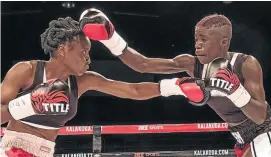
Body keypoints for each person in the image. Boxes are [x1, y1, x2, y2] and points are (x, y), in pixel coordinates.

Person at [0, 17, 209, 157]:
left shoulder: (83, 81)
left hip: (46, 151)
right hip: (14, 148)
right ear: (63, 49)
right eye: (83, 51)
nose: (88, 58)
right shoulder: (26, 71)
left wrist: (175, 86)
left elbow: (132, 90)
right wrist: (27, 104)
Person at [79, 8, 271, 157]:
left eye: (204, 39)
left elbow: (261, 115)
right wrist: (111, 38)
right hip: (241, 137)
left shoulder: (245, 64)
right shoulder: (191, 64)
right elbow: (142, 64)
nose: (198, 44)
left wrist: (235, 89)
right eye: (196, 39)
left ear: (223, 42)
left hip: (265, 131)